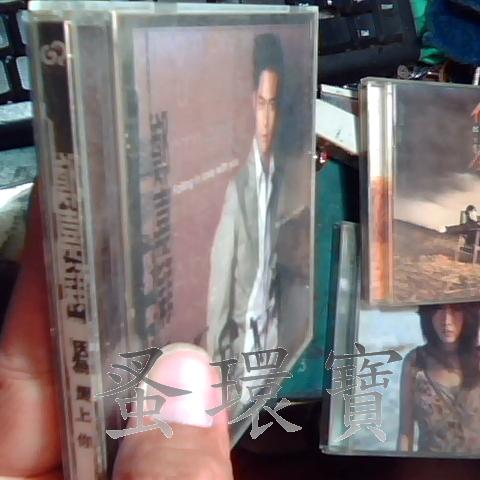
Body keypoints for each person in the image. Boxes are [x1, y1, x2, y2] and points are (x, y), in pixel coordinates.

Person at [206, 33, 286, 372]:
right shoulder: (236, 187)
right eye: (261, 104)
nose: (267, 120)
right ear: (251, 103)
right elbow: (219, 295)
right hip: (239, 354)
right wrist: (214, 367)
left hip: (270, 344)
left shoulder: (278, 175)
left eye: (274, 105)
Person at [397, 303, 480, 454]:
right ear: (428, 314)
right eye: (438, 309)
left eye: (456, 309)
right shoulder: (415, 363)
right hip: (430, 466)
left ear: (469, 313)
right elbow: (405, 432)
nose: (446, 320)